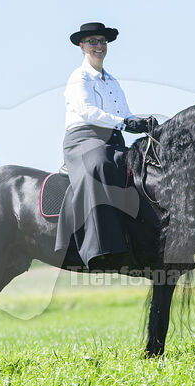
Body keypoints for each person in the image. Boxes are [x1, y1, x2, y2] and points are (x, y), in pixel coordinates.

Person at [55, 22, 157, 270]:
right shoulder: (78, 78)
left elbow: (124, 113)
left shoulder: (111, 81)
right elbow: (88, 112)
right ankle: (99, 248)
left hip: (112, 139)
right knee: (100, 162)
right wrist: (124, 123)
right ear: (82, 47)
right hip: (84, 139)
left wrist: (141, 121)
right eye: (93, 42)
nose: (99, 46)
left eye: (102, 41)